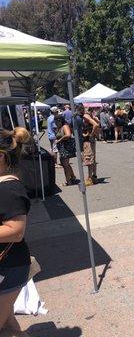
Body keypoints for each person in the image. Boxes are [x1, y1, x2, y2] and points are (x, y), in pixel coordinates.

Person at [0, 127, 32, 336]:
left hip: (9, 266)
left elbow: (16, 231)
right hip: (10, 264)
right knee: (9, 323)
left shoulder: (8, 188)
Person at [75, 104, 99, 186]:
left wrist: (91, 135)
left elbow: (96, 124)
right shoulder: (88, 115)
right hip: (90, 140)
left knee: (88, 159)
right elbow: (97, 122)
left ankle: (89, 179)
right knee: (92, 158)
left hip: (88, 140)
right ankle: (94, 177)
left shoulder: (85, 116)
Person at [55, 115, 77, 186]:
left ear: (60, 120)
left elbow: (68, 135)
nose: (55, 123)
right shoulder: (60, 127)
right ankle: (73, 177)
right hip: (62, 148)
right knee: (66, 164)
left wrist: (60, 140)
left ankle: (68, 181)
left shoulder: (64, 126)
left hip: (66, 148)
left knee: (65, 165)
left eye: (56, 121)